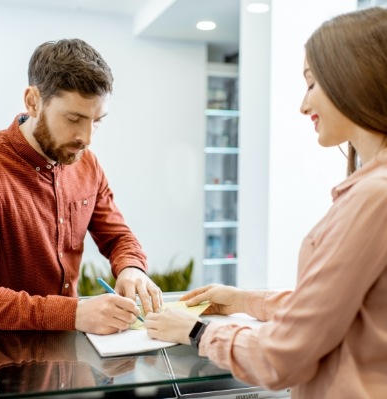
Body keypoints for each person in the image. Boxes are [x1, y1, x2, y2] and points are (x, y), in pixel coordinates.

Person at [145, 7, 387, 398]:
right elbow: (335, 310)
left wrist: (194, 331)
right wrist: (243, 300)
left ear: (352, 80)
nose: (303, 105)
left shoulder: (374, 197)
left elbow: (281, 358)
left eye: (311, 84)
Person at [0, 38, 162, 335]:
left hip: (70, 354)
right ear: (33, 101)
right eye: (74, 118)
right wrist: (75, 313)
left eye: (97, 121)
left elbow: (118, 236)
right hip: (2, 362)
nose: (87, 137)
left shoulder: (87, 164)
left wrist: (131, 267)